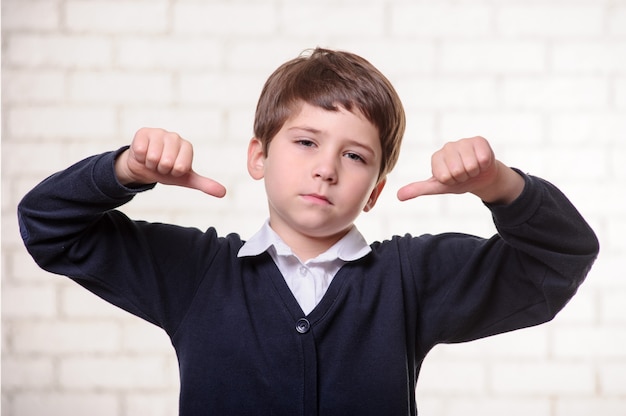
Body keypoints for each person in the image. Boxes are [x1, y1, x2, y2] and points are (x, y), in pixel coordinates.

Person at [18, 48, 599, 416]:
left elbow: (559, 260)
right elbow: (50, 227)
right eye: (305, 142)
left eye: (354, 156)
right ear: (258, 156)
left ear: (374, 190)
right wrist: (124, 171)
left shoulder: (411, 279)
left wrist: (500, 184)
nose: (326, 167)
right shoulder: (195, 272)